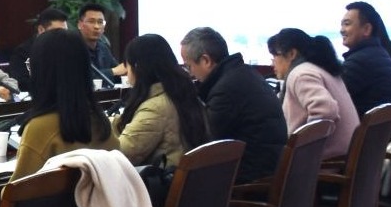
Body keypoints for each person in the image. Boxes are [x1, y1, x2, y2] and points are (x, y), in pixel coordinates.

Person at [179, 27, 288, 182]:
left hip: (251, 179)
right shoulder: (243, 73)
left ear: (205, 61)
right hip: (269, 167)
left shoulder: (226, 89)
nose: (190, 74)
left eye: (188, 66)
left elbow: (205, 144)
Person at [8, 28, 118, 179]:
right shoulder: (102, 124)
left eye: (31, 66)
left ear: (43, 72)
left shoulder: (40, 128)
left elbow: (16, 189)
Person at [111, 33, 207, 171]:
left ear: (137, 67)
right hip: (186, 179)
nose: (126, 72)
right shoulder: (184, 94)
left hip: (162, 182)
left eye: (127, 66)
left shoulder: (156, 108)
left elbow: (120, 155)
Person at [267, 28, 360, 161]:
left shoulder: (301, 74)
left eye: (275, 55)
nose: (272, 62)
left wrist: (301, 147)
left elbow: (326, 111)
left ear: (292, 53)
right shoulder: (321, 69)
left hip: (324, 163)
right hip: (345, 156)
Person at [342, 1, 391, 127]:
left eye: (347, 24)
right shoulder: (383, 54)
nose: (342, 30)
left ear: (367, 29)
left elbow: (333, 102)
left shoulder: (361, 62)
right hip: (388, 135)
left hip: (369, 138)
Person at [7, 8, 69, 93]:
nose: (62, 36)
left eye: (65, 32)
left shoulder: (68, 50)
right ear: (41, 29)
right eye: (57, 32)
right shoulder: (22, 52)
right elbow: (21, 83)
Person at [78, 3, 121, 85]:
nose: (97, 27)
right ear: (80, 25)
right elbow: (81, 78)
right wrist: (113, 72)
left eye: (100, 22)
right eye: (91, 21)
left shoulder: (103, 48)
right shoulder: (71, 48)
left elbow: (118, 71)